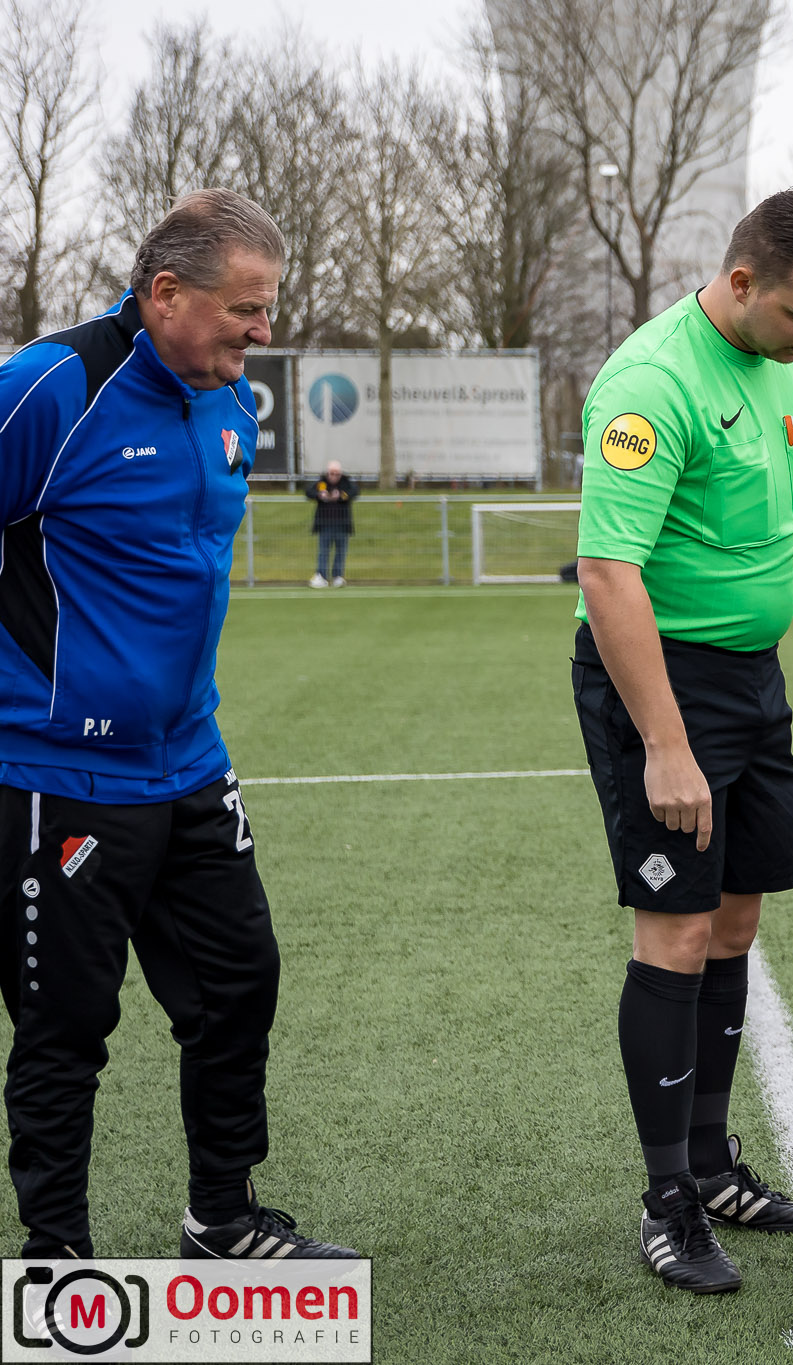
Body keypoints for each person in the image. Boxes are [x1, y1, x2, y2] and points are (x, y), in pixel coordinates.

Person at [0, 188, 355, 1261]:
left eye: (269, 307)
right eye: (246, 309)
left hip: (192, 765)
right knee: (66, 1025)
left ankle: (223, 1220)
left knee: (239, 986)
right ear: (165, 293)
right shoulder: (52, 387)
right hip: (58, 774)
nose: (264, 332)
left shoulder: (232, 402)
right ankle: (58, 1262)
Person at [573, 188, 793, 1294]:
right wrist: (663, 741)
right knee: (676, 935)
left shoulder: (785, 365)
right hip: (662, 684)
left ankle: (712, 1164)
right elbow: (609, 574)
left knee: (736, 920)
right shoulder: (649, 383)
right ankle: (668, 1200)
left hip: (753, 681)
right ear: (742, 283)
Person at [306, 460, 356, 587]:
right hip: (325, 524)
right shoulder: (321, 482)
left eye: (337, 474)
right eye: (332, 473)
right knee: (323, 551)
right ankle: (321, 576)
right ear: (328, 473)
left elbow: (354, 492)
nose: (334, 476)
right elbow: (308, 492)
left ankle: (337, 576)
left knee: (341, 551)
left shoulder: (346, 482)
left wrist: (341, 496)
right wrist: (320, 495)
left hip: (342, 524)